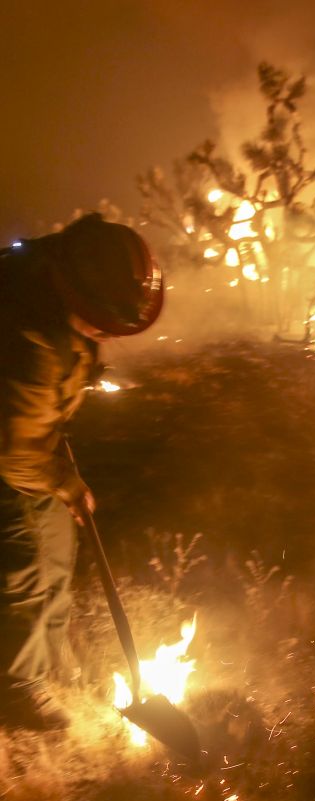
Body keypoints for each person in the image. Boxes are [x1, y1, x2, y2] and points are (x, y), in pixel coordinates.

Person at [0, 212, 163, 730]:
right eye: (102, 320)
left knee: (58, 548)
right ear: (74, 289)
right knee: (26, 562)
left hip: (26, 444)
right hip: (8, 460)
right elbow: (13, 451)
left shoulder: (60, 284)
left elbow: (34, 416)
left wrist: (61, 469)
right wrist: (66, 483)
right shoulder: (30, 338)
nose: (105, 332)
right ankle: (19, 687)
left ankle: (48, 660)